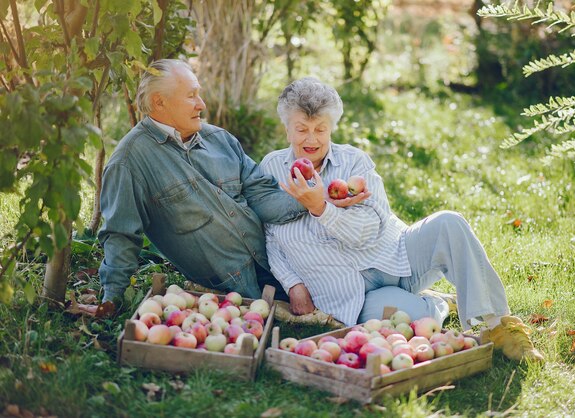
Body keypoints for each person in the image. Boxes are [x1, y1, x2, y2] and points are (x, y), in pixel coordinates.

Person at [259, 77, 544, 362]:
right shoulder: (272, 168)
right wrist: (292, 283)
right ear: (287, 130)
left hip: (397, 257)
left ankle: (498, 326)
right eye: (301, 129)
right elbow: (269, 233)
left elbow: (371, 229)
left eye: (320, 129)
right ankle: (436, 304)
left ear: (332, 128)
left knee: (449, 222)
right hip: (347, 293)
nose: (312, 139)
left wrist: (322, 209)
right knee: (410, 325)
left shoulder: (354, 162)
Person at [83, 60, 366, 315]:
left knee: (362, 285)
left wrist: (324, 196)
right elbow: (120, 236)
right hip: (235, 286)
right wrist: (112, 301)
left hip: (282, 262)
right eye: (191, 95)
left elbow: (262, 195)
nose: (201, 104)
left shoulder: (220, 139)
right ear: (159, 103)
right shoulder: (130, 162)